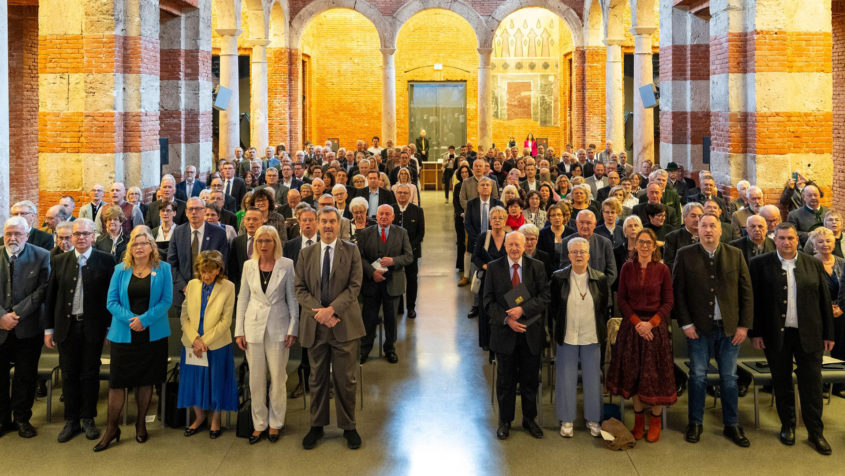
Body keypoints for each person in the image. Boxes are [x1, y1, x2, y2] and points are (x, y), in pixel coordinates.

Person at [749, 222, 835, 455]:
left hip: (809, 333)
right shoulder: (759, 265)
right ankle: (788, 425)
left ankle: (816, 432)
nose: (786, 242)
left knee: (812, 384)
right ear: (774, 239)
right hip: (776, 334)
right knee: (782, 381)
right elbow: (753, 302)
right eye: (782, 238)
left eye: (791, 238)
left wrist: (829, 333)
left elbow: (824, 301)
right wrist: (754, 332)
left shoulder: (813, 264)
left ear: (798, 240)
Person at [673, 214, 752, 447]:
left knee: (729, 378)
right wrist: (686, 324)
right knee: (697, 376)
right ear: (697, 229)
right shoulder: (685, 255)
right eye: (703, 225)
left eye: (712, 226)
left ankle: (732, 424)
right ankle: (695, 422)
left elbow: (746, 292)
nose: (708, 230)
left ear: (720, 230)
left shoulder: (735, 255)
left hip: (729, 329)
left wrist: (743, 325)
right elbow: (678, 293)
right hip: (698, 329)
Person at [294, 206, 365, 450]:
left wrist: (332, 310)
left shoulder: (352, 250)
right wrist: (321, 314)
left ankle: (349, 426)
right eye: (322, 221)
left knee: (346, 379)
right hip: (316, 327)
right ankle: (317, 425)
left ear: (339, 224)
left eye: (331, 221)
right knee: (317, 378)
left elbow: (355, 287)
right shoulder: (306, 254)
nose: (326, 226)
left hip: (344, 325)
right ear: (315, 223)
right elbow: (300, 289)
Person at [98, 226, 172, 451]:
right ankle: (112, 428)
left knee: (146, 381)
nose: (139, 248)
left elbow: (166, 300)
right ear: (130, 248)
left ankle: (141, 424)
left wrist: (145, 320)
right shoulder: (120, 269)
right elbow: (111, 302)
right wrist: (133, 320)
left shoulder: (164, 268)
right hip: (124, 333)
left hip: (153, 334)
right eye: (135, 244)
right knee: (118, 383)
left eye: (144, 243)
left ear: (152, 247)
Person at [44, 218, 115, 442]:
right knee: (69, 373)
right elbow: (51, 297)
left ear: (93, 236)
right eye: (76, 234)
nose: (81, 238)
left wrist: (110, 327)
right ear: (71, 237)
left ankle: (88, 418)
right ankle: (71, 419)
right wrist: (48, 329)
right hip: (66, 326)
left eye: (85, 233)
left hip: (93, 327)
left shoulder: (106, 261)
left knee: (90, 373)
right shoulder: (59, 260)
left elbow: (110, 298)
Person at [606, 228, 675, 441]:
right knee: (634, 375)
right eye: (641, 242)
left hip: (656, 329)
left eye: (648, 243)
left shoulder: (662, 269)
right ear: (635, 245)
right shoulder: (627, 268)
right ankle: (638, 421)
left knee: (656, 377)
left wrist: (651, 324)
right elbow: (622, 300)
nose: (644, 246)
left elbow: (668, 302)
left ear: (654, 247)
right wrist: (638, 324)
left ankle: (655, 421)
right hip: (633, 328)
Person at [235, 226, 299, 444]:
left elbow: (293, 298)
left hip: (279, 327)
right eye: (259, 241)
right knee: (256, 379)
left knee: (278, 378)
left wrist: (293, 328)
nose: (263, 245)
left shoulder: (287, 265)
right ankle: (259, 423)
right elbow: (242, 298)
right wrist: (239, 331)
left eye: (267, 241)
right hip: (253, 327)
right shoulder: (248, 266)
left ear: (275, 243)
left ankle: (275, 423)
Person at [484, 232, 550, 440]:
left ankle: (530, 419)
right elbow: (487, 301)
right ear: (504, 246)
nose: (514, 248)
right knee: (505, 381)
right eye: (510, 244)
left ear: (525, 246)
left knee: (530, 380)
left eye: (518, 245)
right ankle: (505, 421)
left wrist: (523, 311)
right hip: (505, 335)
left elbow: (545, 296)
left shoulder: (536, 266)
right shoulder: (494, 268)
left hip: (531, 334)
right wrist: (507, 320)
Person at [550, 237, 608, 438]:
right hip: (567, 334)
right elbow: (554, 309)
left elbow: (603, 309)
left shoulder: (599, 278)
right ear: (568, 256)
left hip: (591, 334)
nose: (579, 255)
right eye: (574, 252)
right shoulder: (558, 278)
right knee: (566, 377)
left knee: (593, 378)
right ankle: (566, 419)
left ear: (589, 255)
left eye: (582, 251)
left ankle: (593, 419)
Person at [177, 249, 237, 439]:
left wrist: (204, 341)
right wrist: (195, 338)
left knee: (217, 381)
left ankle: (215, 420)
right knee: (193, 381)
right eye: (203, 271)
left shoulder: (228, 287)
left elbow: (226, 321)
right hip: (192, 342)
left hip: (217, 344)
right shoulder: (193, 285)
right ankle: (200, 417)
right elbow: (184, 316)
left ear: (219, 270)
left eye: (210, 271)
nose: (206, 275)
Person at [0, 217, 51, 439]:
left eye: (18, 234)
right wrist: (1, 316)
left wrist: (16, 314)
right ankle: (2, 420)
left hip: (28, 329)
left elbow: (42, 290)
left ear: (27, 235)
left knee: (26, 376)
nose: (13, 238)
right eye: (9, 233)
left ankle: (22, 418)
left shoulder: (42, 256)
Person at [358, 205, 413, 363]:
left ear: (393, 217)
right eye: (381, 213)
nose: (383, 216)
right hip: (371, 283)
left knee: (391, 319)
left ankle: (390, 348)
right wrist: (371, 272)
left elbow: (409, 256)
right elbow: (359, 257)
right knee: (369, 318)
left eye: (387, 214)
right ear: (376, 216)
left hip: (393, 283)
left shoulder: (402, 233)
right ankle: (365, 348)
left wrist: (393, 261)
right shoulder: (366, 233)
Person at [168, 198, 229, 308]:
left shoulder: (219, 233)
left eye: (198, 209)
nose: (194, 212)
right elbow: (171, 264)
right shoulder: (178, 232)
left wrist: (207, 284)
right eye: (191, 209)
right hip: (183, 293)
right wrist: (184, 287)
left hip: (210, 292)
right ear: (186, 213)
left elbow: (222, 264)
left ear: (204, 211)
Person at [472, 206, 508, 345]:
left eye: (501, 218)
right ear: (490, 221)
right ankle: (487, 342)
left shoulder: (509, 237)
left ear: (505, 221)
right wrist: (486, 266)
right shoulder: (484, 236)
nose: (497, 221)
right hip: (487, 280)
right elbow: (475, 257)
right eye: (494, 218)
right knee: (486, 310)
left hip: (505, 281)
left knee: (503, 310)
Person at [393, 184, 425, 319]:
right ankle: (398, 306)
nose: (402, 195)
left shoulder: (417, 211)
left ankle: (411, 307)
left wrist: (408, 249)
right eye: (399, 192)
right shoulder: (391, 209)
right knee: (396, 278)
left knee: (412, 279)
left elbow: (420, 233)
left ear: (410, 195)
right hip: (394, 253)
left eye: (405, 193)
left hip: (412, 252)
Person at [228, 208, 262, 293]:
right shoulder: (237, 241)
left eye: (255, 219)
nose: (251, 222)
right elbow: (233, 269)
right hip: (242, 289)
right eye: (248, 219)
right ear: (244, 221)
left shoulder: (268, 241)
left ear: (262, 221)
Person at [663, 202, 703, 271]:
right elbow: (669, 264)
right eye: (693, 216)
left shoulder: (707, 237)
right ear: (684, 217)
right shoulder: (672, 237)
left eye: (700, 216)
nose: (697, 219)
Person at [453, 165, 471, 277]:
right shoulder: (457, 186)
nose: (464, 174)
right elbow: (456, 201)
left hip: (471, 216)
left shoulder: (472, 184)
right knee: (461, 241)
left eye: (466, 172)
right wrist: (461, 213)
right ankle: (461, 265)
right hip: (460, 217)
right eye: (462, 172)